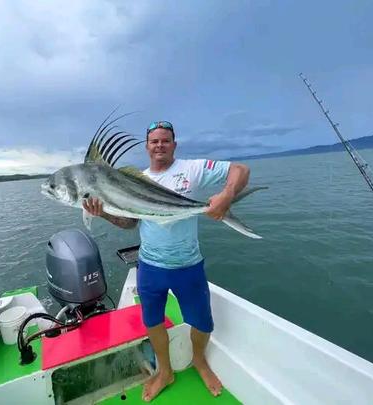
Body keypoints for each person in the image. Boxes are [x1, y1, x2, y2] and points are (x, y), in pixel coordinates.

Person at [82, 120, 250, 402]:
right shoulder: (137, 178)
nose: (159, 145)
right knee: (153, 323)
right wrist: (103, 213)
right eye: (154, 141)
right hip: (150, 267)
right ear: (147, 146)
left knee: (203, 323)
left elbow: (240, 170)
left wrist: (226, 195)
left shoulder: (192, 170)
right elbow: (129, 222)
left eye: (165, 140)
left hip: (188, 265)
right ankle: (165, 371)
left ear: (174, 144)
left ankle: (199, 360)